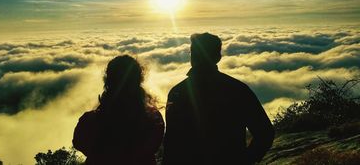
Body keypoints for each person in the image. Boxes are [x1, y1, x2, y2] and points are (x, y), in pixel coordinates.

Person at [162, 33, 274, 165]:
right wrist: (246, 159)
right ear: (218, 57)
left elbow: (171, 141)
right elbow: (265, 133)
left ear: (192, 57)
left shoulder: (177, 92)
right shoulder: (237, 89)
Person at [73, 55, 164, 165]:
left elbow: (80, 142)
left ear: (108, 80)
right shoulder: (154, 120)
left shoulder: (89, 122)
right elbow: (151, 147)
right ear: (139, 80)